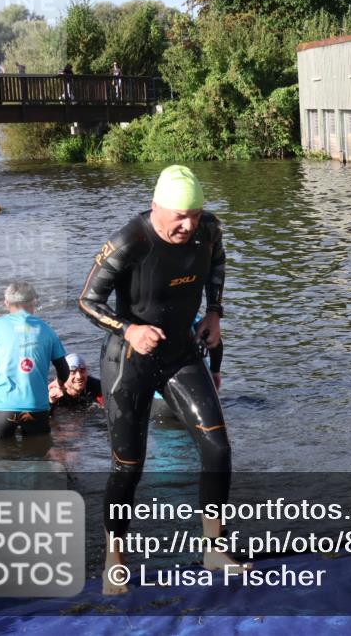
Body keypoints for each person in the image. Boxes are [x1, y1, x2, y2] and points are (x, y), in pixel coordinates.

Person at [78, 164, 240, 594]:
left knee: (218, 447)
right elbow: (87, 301)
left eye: (195, 214)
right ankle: (115, 559)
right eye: (178, 217)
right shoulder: (130, 239)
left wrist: (215, 312)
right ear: (155, 208)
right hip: (129, 358)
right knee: (128, 466)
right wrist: (128, 328)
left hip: (180, 351)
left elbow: (218, 263)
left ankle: (214, 547)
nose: (188, 225)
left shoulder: (210, 228)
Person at [0, 282, 69, 439]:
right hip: (36, 407)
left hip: (2, 408)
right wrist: (60, 384)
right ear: (34, 302)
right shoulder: (47, 330)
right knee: (38, 458)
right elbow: (63, 369)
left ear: (6, 302)